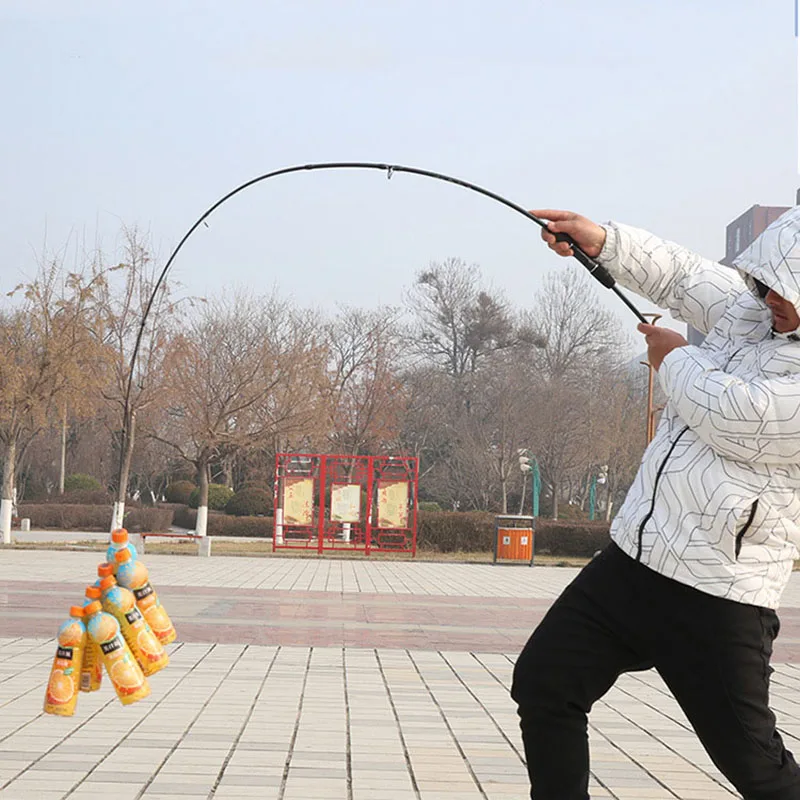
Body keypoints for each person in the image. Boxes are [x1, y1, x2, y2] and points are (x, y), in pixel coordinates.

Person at [511, 208, 800, 800]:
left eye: (789, 291)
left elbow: (735, 415)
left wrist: (671, 357)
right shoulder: (750, 311)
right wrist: (603, 242)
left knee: (757, 771)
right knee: (544, 682)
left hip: (719, 593)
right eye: (768, 281)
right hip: (634, 563)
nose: (772, 298)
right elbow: (681, 274)